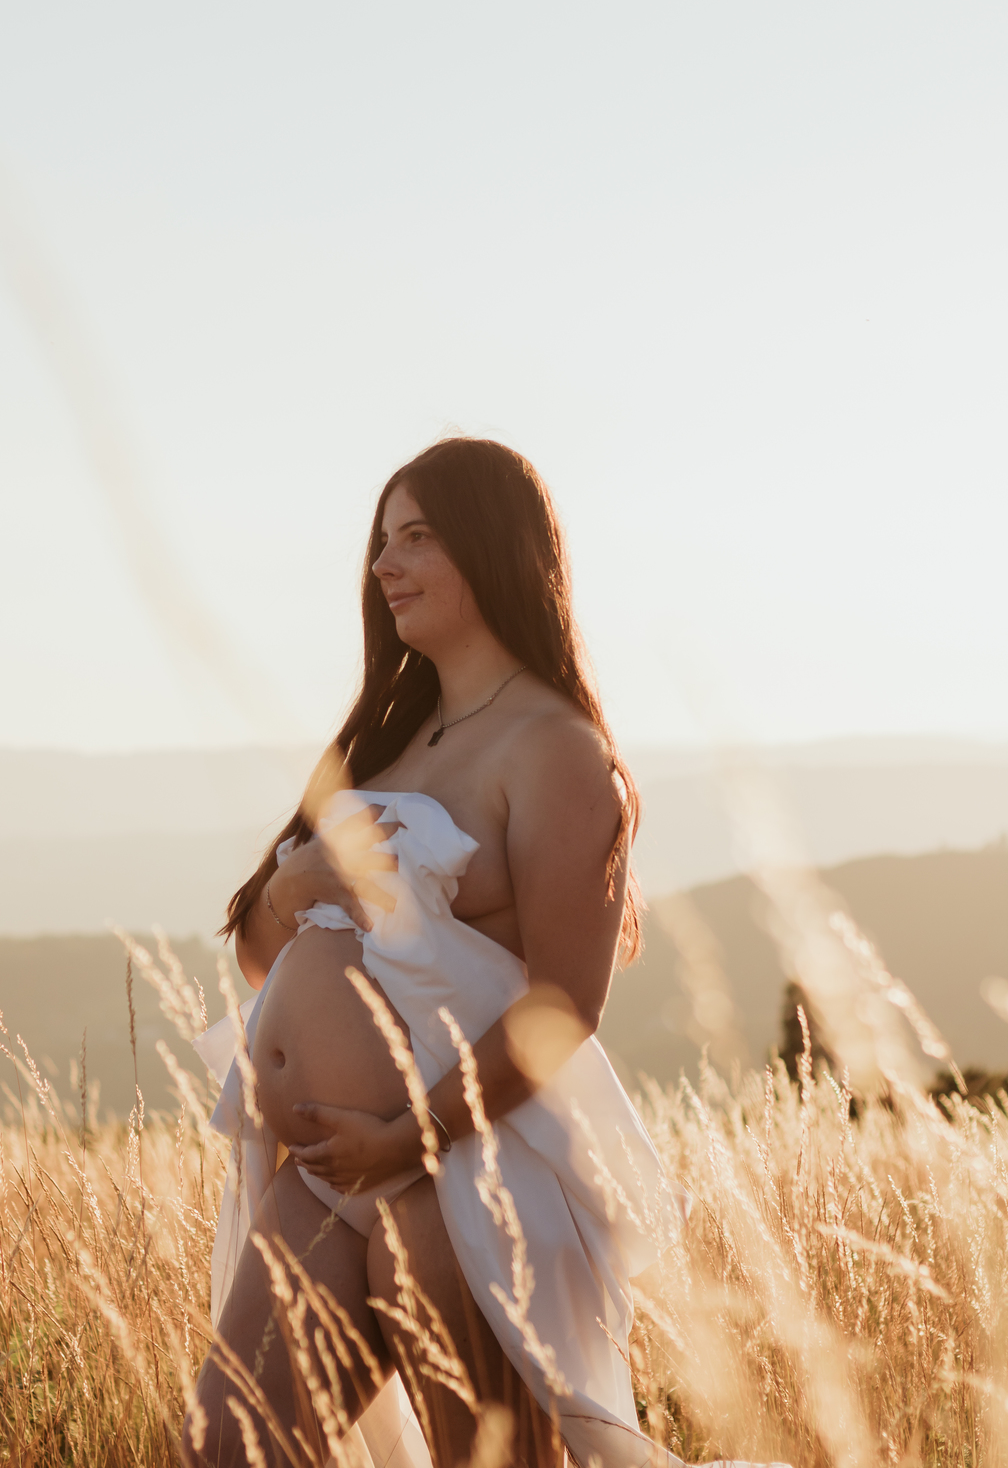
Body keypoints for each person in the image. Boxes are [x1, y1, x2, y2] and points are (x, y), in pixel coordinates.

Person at [182, 439, 692, 1468]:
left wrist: (405, 1137)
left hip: (462, 1165)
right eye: (381, 540)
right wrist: (292, 886)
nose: (385, 564)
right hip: (332, 1169)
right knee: (224, 1445)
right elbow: (258, 957)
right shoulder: (390, 734)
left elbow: (562, 1009)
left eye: (418, 536)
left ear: (495, 551)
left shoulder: (553, 748)